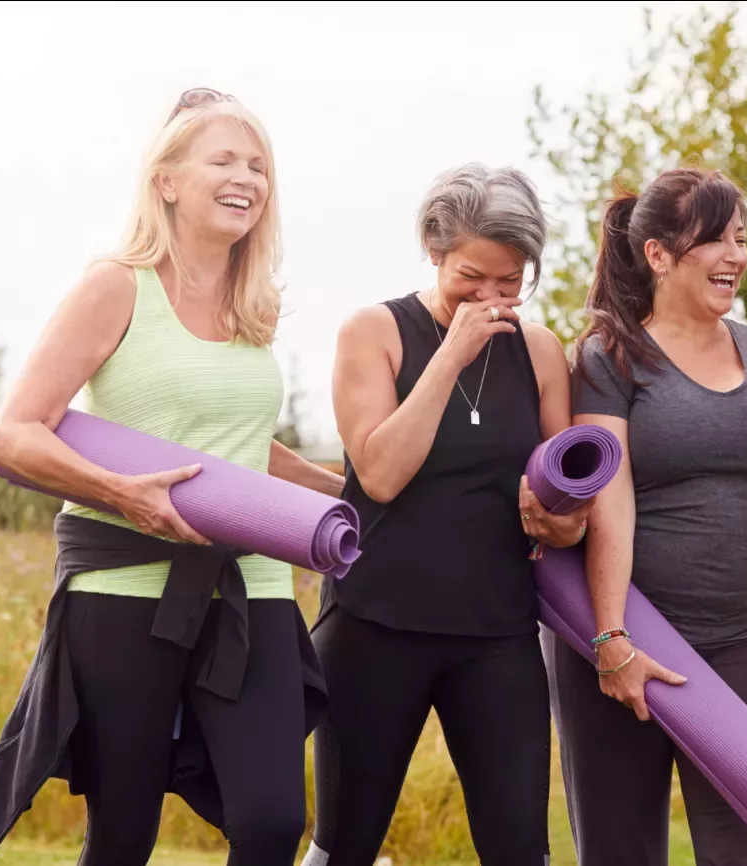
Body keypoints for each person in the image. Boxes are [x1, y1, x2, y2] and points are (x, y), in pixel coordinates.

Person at [0, 88, 343, 866]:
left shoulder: (254, 307)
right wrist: (121, 493)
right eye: (224, 160)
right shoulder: (117, 285)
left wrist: (340, 491)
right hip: (125, 595)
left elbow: (237, 444)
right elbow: (13, 436)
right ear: (167, 180)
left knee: (273, 821)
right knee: (122, 836)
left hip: (252, 590)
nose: (247, 177)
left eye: (258, 165)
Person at [545, 167, 747, 866]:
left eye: (740, 238)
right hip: (631, 637)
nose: (735, 256)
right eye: (714, 239)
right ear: (658, 255)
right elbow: (608, 500)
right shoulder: (609, 356)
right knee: (623, 852)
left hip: (742, 640)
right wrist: (611, 636)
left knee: (743, 850)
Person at [304, 164, 587, 866]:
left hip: (496, 637)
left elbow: (567, 501)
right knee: (345, 845)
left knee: (521, 848)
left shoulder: (542, 351)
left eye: (510, 280)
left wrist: (561, 521)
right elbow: (380, 472)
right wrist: (452, 354)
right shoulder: (374, 332)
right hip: (373, 627)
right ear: (434, 252)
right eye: (472, 275)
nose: (491, 297)